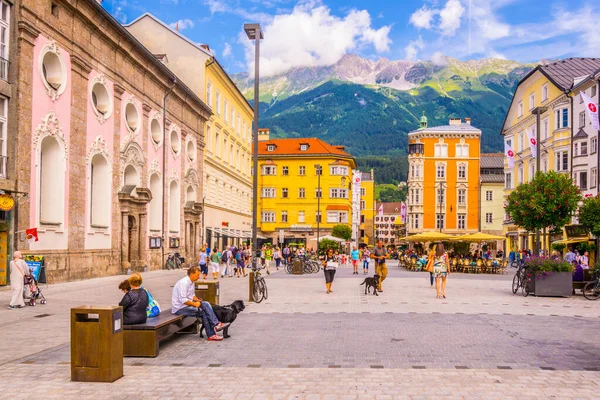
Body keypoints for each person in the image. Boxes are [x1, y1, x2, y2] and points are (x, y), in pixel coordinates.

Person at [172, 266, 229, 341]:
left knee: (205, 306)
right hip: (179, 308)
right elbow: (183, 300)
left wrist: (197, 300)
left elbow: (191, 295)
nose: (199, 277)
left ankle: (214, 331)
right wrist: (194, 304)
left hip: (186, 305)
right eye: (197, 275)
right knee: (204, 309)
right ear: (192, 274)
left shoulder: (191, 282)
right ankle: (215, 326)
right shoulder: (183, 283)